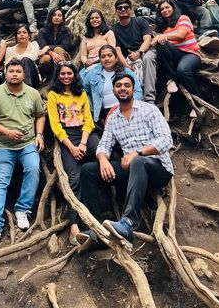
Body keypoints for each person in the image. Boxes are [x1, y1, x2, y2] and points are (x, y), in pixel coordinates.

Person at [79, 73, 173, 247]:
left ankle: (128, 224)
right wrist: (103, 160)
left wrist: (137, 153)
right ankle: (95, 229)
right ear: (114, 90)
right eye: (119, 85)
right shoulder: (114, 118)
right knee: (88, 170)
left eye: (127, 85)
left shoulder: (148, 109)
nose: (123, 88)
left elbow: (166, 140)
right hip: (131, 170)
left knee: (138, 162)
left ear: (133, 88)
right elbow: (104, 145)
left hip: (157, 169)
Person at [0, 59, 45, 248]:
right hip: (3, 145)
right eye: (11, 71)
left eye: (18, 71)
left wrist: (40, 135)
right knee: (1, 182)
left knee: (34, 170)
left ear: (24, 74)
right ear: (5, 73)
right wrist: (7, 132)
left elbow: (40, 115)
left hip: (27, 144)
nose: (15, 74)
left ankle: (22, 209)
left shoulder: (33, 93)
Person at [47, 62, 99, 245]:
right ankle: (74, 227)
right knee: (73, 178)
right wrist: (72, 147)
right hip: (67, 137)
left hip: (85, 134)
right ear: (58, 76)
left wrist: (83, 143)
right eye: (63, 74)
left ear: (75, 75)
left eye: (69, 73)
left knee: (102, 155)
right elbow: (55, 125)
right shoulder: (53, 95)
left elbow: (88, 120)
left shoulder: (81, 93)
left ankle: (99, 216)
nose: (66, 76)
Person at [151, 0, 202, 118]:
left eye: (167, 7)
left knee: (183, 71)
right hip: (176, 55)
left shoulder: (183, 18)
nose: (165, 10)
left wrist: (162, 36)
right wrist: (159, 37)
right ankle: (171, 79)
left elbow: (181, 35)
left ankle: (198, 103)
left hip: (191, 53)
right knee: (160, 43)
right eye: (162, 9)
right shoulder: (164, 28)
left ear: (173, 8)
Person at [83, 45, 142, 125]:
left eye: (110, 55)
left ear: (116, 58)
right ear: (100, 60)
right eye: (103, 57)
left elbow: (138, 92)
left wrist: (126, 106)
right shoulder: (93, 73)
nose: (107, 59)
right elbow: (83, 91)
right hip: (104, 113)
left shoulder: (127, 72)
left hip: (126, 108)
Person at [113, 0, 157, 104]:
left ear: (130, 9)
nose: (123, 9)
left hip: (145, 51)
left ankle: (149, 98)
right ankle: (132, 100)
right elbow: (117, 50)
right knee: (124, 69)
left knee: (148, 58)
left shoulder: (140, 21)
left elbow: (147, 39)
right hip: (128, 57)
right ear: (116, 11)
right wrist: (125, 64)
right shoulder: (114, 29)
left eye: (126, 7)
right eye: (120, 8)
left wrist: (139, 53)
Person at [37, 7, 72, 80]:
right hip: (46, 57)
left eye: (59, 16)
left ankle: (62, 76)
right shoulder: (42, 31)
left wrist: (49, 47)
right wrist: (52, 53)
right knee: (47, 58)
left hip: (62, 56)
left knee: (58, 49)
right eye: (54, 15)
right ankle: (49, 78)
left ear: (62, 19)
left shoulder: (66, 31)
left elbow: (65, 46)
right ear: (50, 17)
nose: (56, 17)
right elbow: (43, 47)